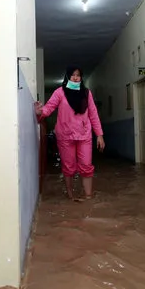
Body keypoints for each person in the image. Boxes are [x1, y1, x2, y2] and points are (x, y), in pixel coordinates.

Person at [35, 66, 105, 201]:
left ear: (81, 77)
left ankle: (88, 196)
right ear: (67, 77)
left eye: (78, 75)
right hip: (65, 135)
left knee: (86, 165)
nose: (75, 78)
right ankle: (70, 195)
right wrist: (40, 112)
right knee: (69, 166)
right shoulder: (59, 92)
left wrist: (99, 135)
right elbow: (49, 108)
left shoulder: (86, 93)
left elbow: (93, 114)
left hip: (84, 135)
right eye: (72, 75)